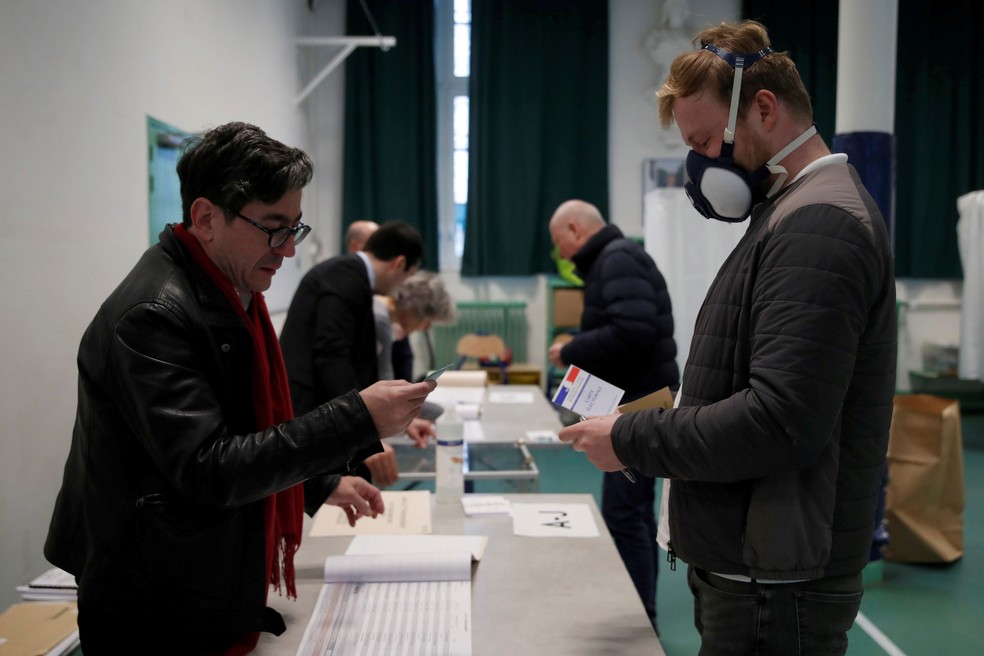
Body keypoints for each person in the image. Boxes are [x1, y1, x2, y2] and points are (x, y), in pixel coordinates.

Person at [557, 20, 896, 655]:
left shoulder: (818, 224)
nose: (701, 164)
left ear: (763, 107)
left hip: (776, 581)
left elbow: (780, 422)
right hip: (761, 564)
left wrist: (630, 438)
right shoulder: (791, 213)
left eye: (707, 139)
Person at [43, 122, 437, 654]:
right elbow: (209, 467)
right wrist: (357, 419)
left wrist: (317, 486)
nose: (288, 251)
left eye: (294, 229)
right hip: (152, 607)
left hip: (192, 580)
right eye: (274, 228)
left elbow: (243, 425)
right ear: (206, 218)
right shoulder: (153, 316)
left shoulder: (224, 287)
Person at [547, 199, 679, 633]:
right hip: (633, 406)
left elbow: (632, 331)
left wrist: (570, 350)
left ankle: (638, 621)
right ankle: (641, 614)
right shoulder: (614, 259)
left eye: (558, 243)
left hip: (635, 411)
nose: (561, 254)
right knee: (633, 514)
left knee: (626, 516)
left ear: (574, 229)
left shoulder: (617, 259)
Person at [281, 221, 435, 489]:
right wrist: (363, 434)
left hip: (321, 412)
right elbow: (332, 359)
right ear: (399, 263)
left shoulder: (351, 277)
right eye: (407, 275)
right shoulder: (345, 278)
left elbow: (352, 364)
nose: (402, 286)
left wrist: (394, 421)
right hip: (308, 413)